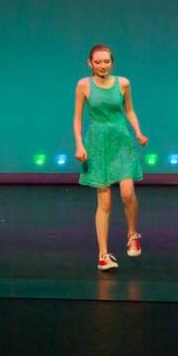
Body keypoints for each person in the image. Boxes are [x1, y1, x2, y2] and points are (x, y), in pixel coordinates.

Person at [73, 44, 148, 271]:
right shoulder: (83, 85)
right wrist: (79, 144)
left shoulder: (123, 83)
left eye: (106, 61)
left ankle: (133, 233)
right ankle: (103, 255)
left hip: (121, 139)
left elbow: (129, 111)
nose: (102, 65)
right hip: (97, 141)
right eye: (98, 62)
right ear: (90, 63)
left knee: (127, 192)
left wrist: (138, 131)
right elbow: (77, 119)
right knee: (104, 201)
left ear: (112, 62)